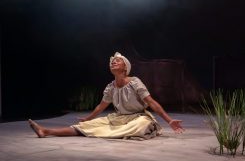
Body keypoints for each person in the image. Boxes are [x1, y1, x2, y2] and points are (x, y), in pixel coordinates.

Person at [28, 52, 184, 140]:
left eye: (117, 61)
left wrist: (169, 120)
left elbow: (151, 102)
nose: (113, 63)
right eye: (112, 62)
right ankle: (46, 131)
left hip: (138, 117)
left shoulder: (135, 82)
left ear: (125, 68)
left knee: (140, 125)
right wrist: (87, 119)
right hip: (118, 118)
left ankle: (110, 132)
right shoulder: (110, 87)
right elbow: (101, 106)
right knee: (85, 127)